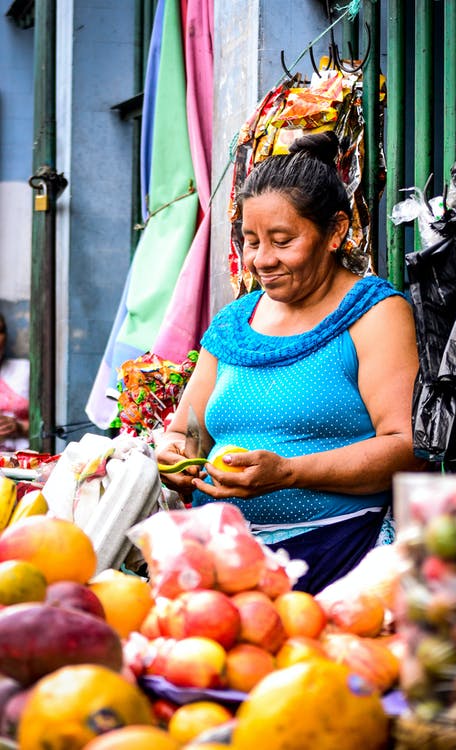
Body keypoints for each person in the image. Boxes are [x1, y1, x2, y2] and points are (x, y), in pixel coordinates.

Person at [156, 131, 423, 594]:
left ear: (335, 231)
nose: (262, 260)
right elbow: (187, 430)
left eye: (282, 240)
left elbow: (407, 447)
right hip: (219, 564)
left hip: (337, 558)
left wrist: (289, 473)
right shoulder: (234, 321)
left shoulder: (375, 314)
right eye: (251, 241)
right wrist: (175, 455)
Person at [0, 313, 30, 452]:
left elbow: (52, 425)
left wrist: (19, 427)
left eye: (0, 331)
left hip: (22, 464)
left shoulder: (25, 371)